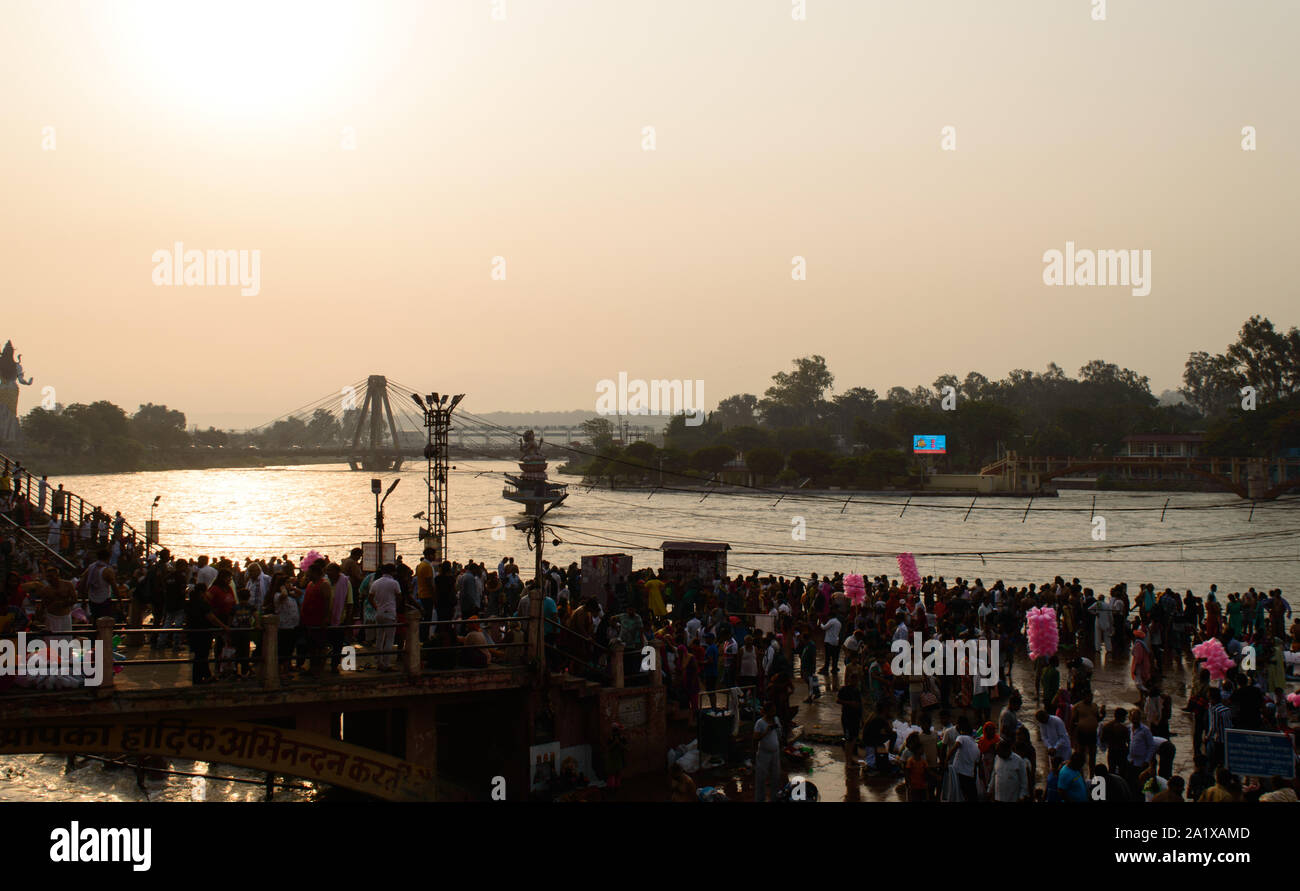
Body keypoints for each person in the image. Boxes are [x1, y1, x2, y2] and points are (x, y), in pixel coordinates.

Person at [368, 564, 401, 671]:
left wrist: (376, 607)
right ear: (392, 572)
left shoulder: (376, 583)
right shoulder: (394, 583)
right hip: (390, 613)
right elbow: (399, 597)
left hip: (379, 612)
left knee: (379, 638)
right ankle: (386, 664)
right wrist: (396, 608)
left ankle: (379, 662)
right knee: (389, 639)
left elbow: (370, 598)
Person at [753, 701, 783, 802]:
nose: (774, 713)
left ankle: (774, 798)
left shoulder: (776, 720)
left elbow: (779, 734)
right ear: (766, 712)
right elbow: (756, 737)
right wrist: (766, 731)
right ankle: (760, 799)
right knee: (761, 778)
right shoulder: (760, 723)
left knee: (776, 777)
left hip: (775, 752)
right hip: (763, 753)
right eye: (772, 711)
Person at [988, 738, 1029, 802]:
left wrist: (1022, 796)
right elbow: (994, 775)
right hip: (999, 797)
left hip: (1013, 798)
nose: (998, 754)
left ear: (1007, 750)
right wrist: (989, 789)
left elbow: (1024, 780)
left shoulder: (1019, 761)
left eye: (1000, 752)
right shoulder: (997, 758)